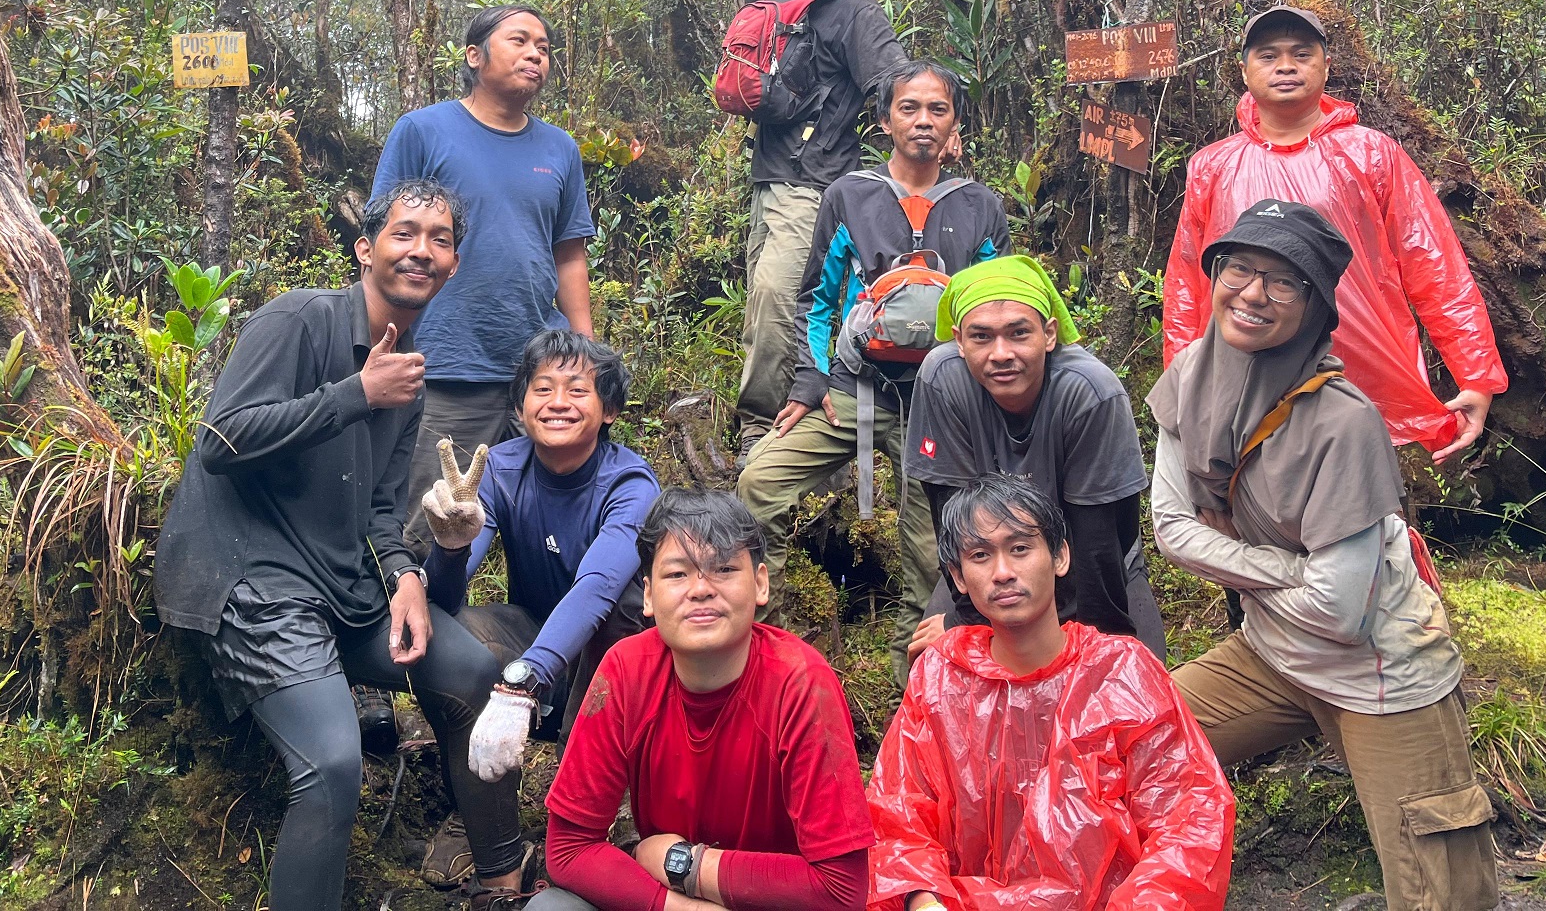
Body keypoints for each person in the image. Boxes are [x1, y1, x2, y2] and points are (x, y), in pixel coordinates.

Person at [152, 179, 539, 910]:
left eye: (440, 239)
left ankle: (498, 874)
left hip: (338, 585)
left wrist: (406, 577)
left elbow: (382, 507)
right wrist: (354, 393)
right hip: (250, 582)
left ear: (454, 264)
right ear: (366, 249)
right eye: (404, 233)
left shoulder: (409, 374)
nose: (421, 250)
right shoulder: (299, 320)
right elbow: (222, 440)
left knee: (469, 669)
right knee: (333, 763)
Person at [1153, 199, 1498, 911]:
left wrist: (1238, 558)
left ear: (1316, 306)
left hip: (1380, 673)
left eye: (1284, 281)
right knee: (1129, 742)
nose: (1253, 293)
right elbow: (1171, 529)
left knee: (1441, 891)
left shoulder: (1344, 423)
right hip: (1271, 655)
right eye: (1239, 268)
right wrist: (1292, 570)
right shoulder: (1190, 375)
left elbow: (1341, 612)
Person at [737, 61, 1007, 661]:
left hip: (941, 405)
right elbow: (816, 297)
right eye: (909, 108)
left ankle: (913, 679)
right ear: (884, 120)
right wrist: (812, 381)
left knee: (932, 550)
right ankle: (769, 646)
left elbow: (996, 305)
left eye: (938, 109)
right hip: (853, 393)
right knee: (760, 481)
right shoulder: (850, 196)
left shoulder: (979, 206)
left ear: (955, 125)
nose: (923, 121)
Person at [868, 476, 1235, 911]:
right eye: (980, 555)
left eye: (1020, 548)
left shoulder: (1122, 676)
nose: (1003, 572)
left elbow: (1187, 820)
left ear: (1060, 556)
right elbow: (899, 819)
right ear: (958, 577)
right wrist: (924, 902)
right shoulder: (940, 680)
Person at [1162, 2, 1506, 461]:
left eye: (1302, 54)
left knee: (1356, 498)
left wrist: (1476, 376)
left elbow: (1434, 266)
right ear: (1244, 72)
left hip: (1357, 383)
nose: (1286, 66)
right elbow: (1187, 281)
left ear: (1327, 67)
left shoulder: (1372, 155)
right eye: (1268, 55)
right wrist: (1181, 375)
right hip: (1237, 376)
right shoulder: (1213, 166)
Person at [528, 489, 875, 911]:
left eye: (724, 568)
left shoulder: (801, 685)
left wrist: (688, 865)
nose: (700, 590)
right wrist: (680, 907)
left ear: (760, 584)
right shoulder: (625, 671)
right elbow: (568, 849)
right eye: (677, 574)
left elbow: (842, 889)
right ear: (649, 596)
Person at [651, 0, 908, 446]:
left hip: (815, 186)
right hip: (768, 180)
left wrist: (935, 124)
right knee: (763, 305)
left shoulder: (856, 12)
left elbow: (892, 74)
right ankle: (772, 421)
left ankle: (763, 429)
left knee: (777, 298)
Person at [413, 328, 662, 889]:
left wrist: (525, 679)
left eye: (577, 390)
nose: (556, 403)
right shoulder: (501, 469)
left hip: (610, 667)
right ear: (521, 404)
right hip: (534, 637)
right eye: (542, 388)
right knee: (447, 635)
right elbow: (445, 598)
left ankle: (588, 815)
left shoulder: (629, 483)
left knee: (623, 610)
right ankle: (482, 821)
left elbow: (598, 587)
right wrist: (448, 548)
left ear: (609, 410)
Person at [371, 3, 596, 527]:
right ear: (474, 55)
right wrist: (376, 340)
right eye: (520, 41)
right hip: (445, 365)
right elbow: (384, 238)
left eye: (544, 48)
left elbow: (569, 255)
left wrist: (587, 357)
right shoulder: (423, 131)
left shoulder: (559, 148)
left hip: (541, 372)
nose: (535, 54)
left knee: (554, 522)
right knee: (429, 521)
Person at [904, 256, 1164, 659]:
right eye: (981, 337)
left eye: (1019, 333)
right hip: (990, 561)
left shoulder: (1089, 393)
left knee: (1132, 678)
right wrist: (967, 624)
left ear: (1049, 334)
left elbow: (1100, 542)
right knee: (932, 661)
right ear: (959, 341)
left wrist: (1095, 652)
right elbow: (950, 520)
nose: (1001, 353)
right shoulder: (944, 381)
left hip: (1090, 562)